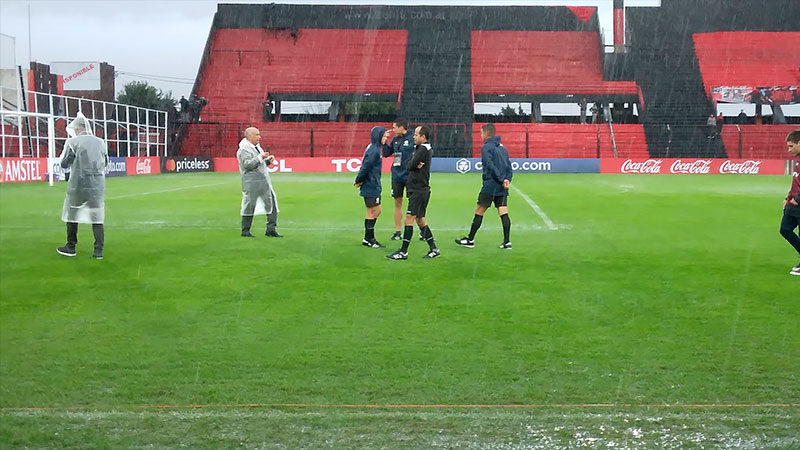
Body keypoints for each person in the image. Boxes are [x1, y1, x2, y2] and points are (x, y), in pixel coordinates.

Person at [56, 112, 108, 259]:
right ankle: (98, 251)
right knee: (97, 217)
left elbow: (64, 163)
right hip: (97, 185)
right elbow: (106, 162)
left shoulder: (73, 142)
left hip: (78, 184)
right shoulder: (100, 142)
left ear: (78, 128)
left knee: (72, 214)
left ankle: (71, 246)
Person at [455, 123, 513, 250]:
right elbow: (509, 166)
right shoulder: (503, 148)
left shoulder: (487, 147)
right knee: (503, 212)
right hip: (501, 187)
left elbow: (490, 165)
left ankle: (470, 239)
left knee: (479, 211)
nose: (480, 135)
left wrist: (500, 179)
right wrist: (507, 179)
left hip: (491, 185)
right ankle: (507, 241)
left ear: (486, 134)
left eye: (481, 133)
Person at [386, 126, 440, 260]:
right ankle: (434, 248)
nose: (414, 137)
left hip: (418, 190)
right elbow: (409, 163)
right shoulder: (420, 149)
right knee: (420, 220)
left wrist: (412, 164)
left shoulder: (423, 149)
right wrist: (413, 164)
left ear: (423, 137)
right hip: (419, 189)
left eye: (416, 135)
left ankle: (403, 251)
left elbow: (410, 165)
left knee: (409, 219)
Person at [237, 127, 282, 238]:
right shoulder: (243, 150)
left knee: (272, 205)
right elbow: (247, 165)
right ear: (249, 136)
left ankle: (271, 229)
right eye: (256, 134)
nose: (259, 137)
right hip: (251, 183)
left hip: (263, 182)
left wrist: (267, 161)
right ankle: (245, 230)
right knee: (249, 206)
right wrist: (260, 157)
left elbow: (259, 165)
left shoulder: (257, 148)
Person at [381, 118, 415, 241]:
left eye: (395, 127)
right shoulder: (395, 140)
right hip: (397, 175)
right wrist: (384, 143)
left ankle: (422, 230)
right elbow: (386, 153)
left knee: (414, 203)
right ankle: (398, 231)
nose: (393, 129)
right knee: (397, 203)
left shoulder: (413, 139)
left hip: (410, 175)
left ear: (402, 127)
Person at [354, 126, 387, 248]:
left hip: (371, 183)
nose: (385, 138)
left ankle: (367, 239)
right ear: (378, 137)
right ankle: (370, 238)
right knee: (376, 210)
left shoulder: (374, 148)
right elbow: (366, 166)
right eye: (383, 136)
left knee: (371, 211)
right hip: (371, 184)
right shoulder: (374, 150)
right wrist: (359, 180)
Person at [780, 130, 800, 276]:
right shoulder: (798, 160)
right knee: (785, 229)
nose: (789, 149)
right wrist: (788, 200)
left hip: (798, 203)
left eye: (791, 146)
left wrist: (797, 199)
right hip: (792, 204)